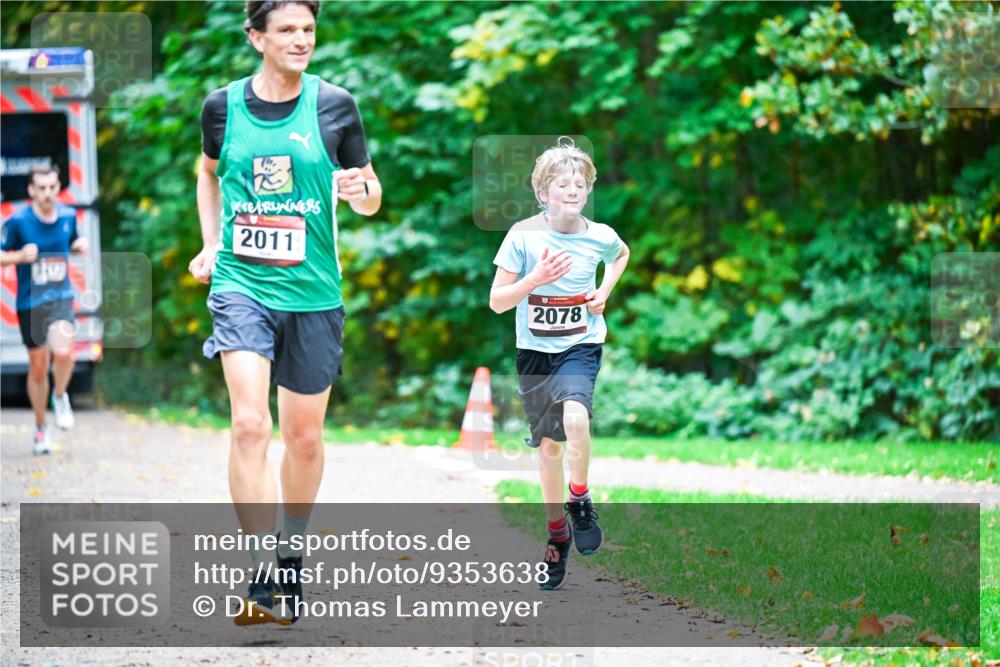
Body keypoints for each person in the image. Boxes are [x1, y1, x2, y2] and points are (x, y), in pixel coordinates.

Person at [187, 0, 381, 625]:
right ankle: (261, 574)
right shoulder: (222, 107)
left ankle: (291, 555)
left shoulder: (335, 105)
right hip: (241, 285)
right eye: (287, 30)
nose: (301, 40)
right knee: (250, 425)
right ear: (256, 38)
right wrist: (211, 242)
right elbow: (208, 172)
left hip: (314, 294)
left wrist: (360, 190)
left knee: (304, 437)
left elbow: (370, 193)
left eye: (309, 30)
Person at [489, 138, 629, 590]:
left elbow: (621, 254)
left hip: (580, 345)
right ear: (543, 192)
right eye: (562, 184)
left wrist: (604, 292)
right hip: (535, 352)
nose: (572, 190)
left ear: (588, 191)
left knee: (576, 418)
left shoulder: (600, 235)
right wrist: (534, 280)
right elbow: (497, 301)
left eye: (580, 184)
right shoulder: (522, 236)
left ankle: (580, 499)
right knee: (549, 448)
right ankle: (557, 534)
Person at [0, 164, 87, 455]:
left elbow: (70, 242)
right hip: (30, 302)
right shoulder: (18, 222)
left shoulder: (68, 216)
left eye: (52, 187)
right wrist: (19, 256)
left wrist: (79, 245)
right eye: (41, 188)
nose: (48, 193)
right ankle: (40, 428)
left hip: (60, 297)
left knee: (64, 351)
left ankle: (60, 396)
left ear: (58, 186)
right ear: (31, 190)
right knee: (38, 367)